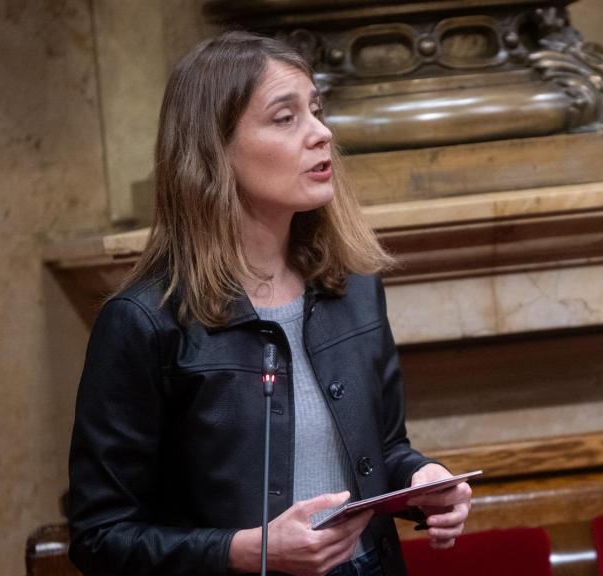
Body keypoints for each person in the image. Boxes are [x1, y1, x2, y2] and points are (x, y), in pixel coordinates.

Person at [68, 31, 471, 576]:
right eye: (286, 118)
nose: (322, 133)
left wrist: (422, 479)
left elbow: (387, 447)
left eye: (317, 110)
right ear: (214, 151)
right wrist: (248, 550)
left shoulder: (353, 289)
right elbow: (101, 537)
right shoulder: (143, 322)